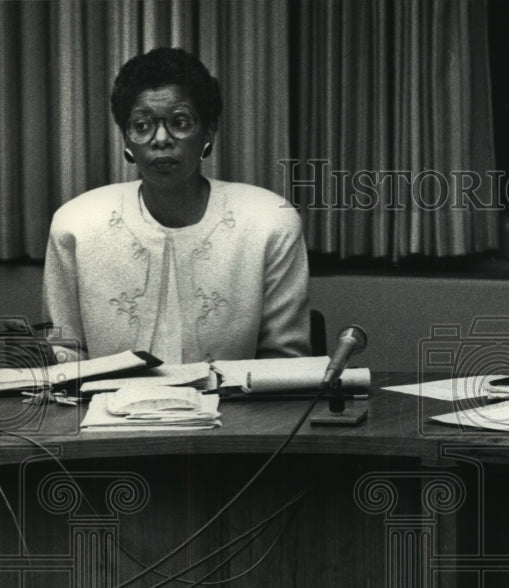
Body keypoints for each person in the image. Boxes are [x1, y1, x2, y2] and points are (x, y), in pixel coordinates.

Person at [42, 47, 310, 364]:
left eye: (180, 122)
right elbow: (63, 350)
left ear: (209, 130)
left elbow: (285, 365)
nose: (161, 139)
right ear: (125, 139)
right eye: (141, 125)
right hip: (103, 410)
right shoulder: (76, 224)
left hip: (235, 411)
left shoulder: (267, 222)